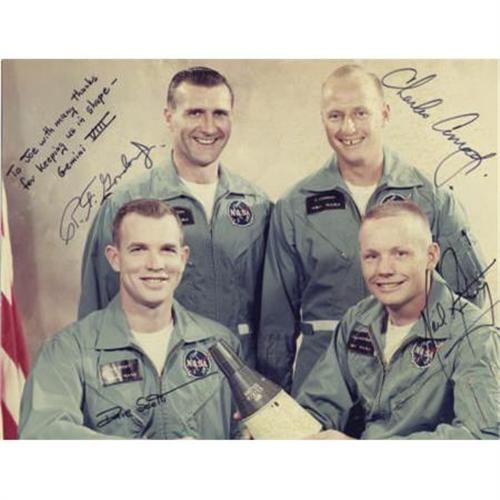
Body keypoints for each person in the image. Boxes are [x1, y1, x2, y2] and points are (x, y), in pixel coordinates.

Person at [257, 64, 487, 395]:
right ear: (323, 119)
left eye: (360, 113)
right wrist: (276, 406)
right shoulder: (294, 207)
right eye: (335, 115)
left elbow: (469, 304)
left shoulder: (433, 200)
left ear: (385, 113)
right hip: (323, 389)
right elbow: (276, 324)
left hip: (411, 392)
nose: (348, 127)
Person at [79, 66, 272, 366]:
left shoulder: (257, 206)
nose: (208, 127)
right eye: (195, 113)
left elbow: (275, 315)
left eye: (219, 114)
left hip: (242, 373)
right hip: (163, 375)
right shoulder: (127, 204)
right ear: (169, 117)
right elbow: (97, 311)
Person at [20, 199, 241, 439]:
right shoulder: (68, 351)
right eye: (138, 249)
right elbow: (42, 436)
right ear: (115, 258)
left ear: (183, 258)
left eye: (167, 249)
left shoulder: (221, 345)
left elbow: (243, 431)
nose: (155, 264)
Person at [296, 201, 499, 439]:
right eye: (371, 256)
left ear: (431, 256)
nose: (384, 269)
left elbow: (483, 437)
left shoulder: (474, 334)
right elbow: (318, 405)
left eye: (400, 254)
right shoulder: (358, 320)